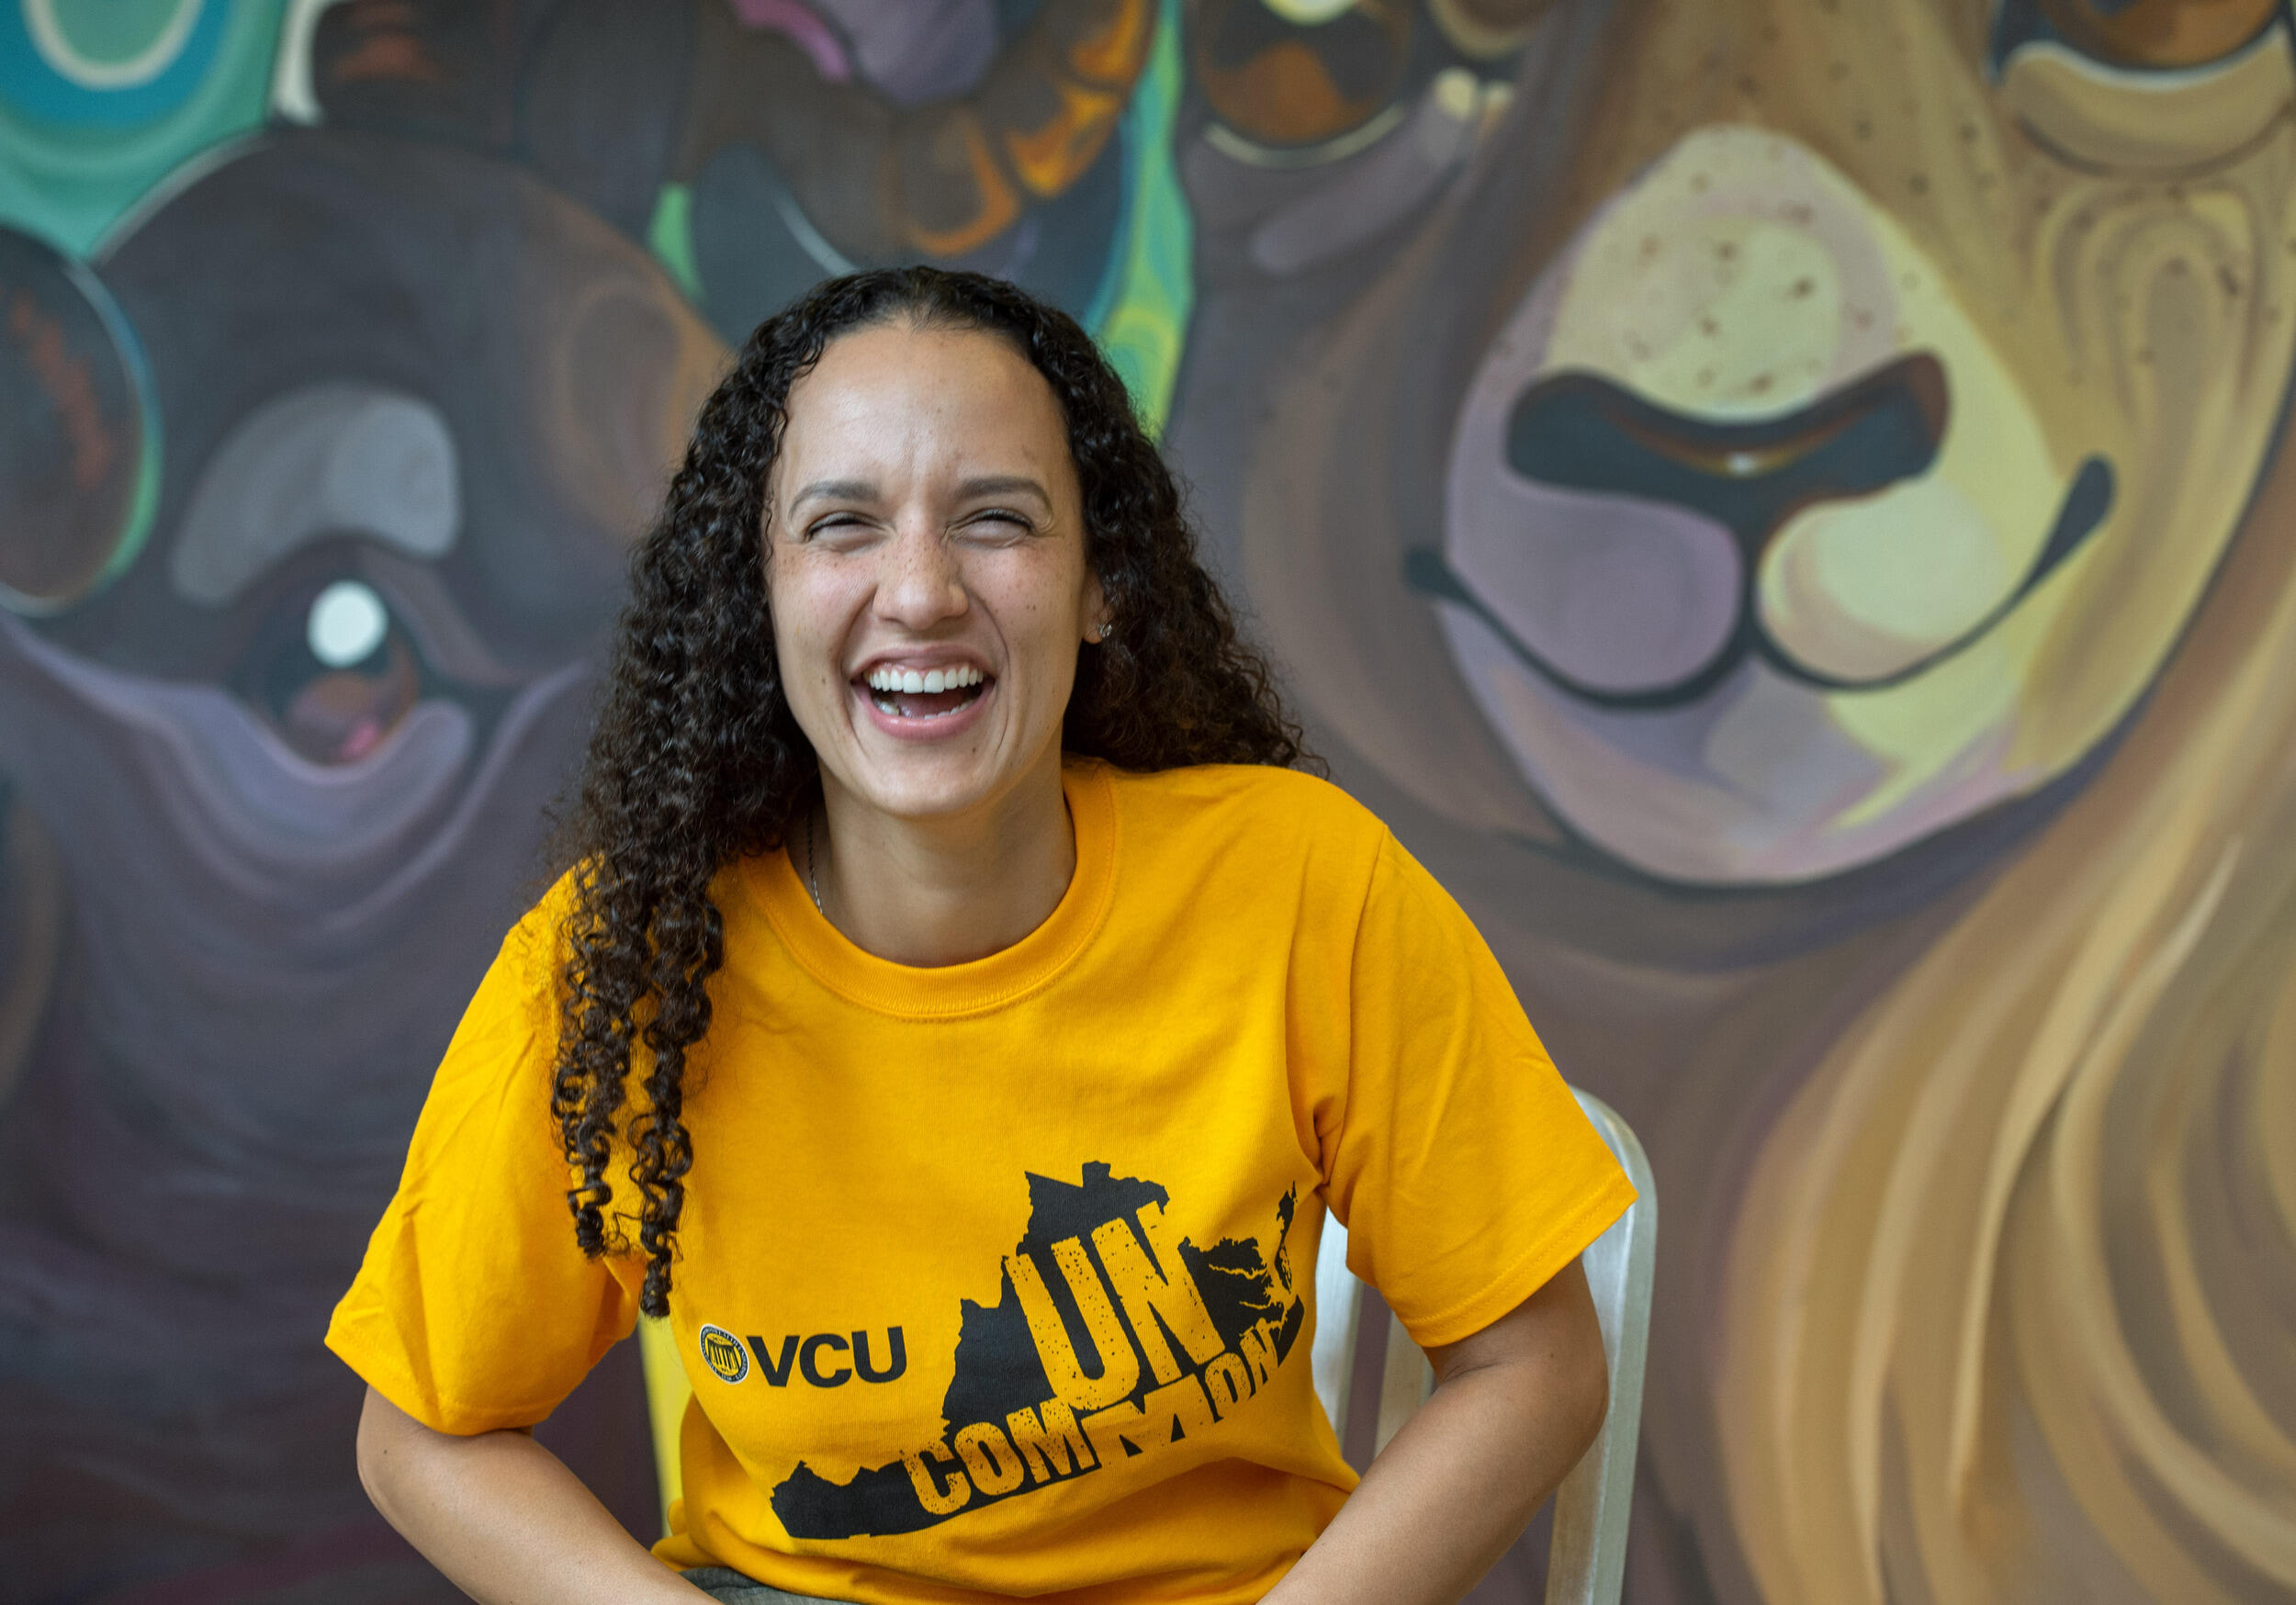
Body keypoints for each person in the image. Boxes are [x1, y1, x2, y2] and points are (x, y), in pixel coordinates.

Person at [325, 266, 1638, 1605]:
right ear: (758, 599)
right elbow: (424, 1433)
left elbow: (1535, 1363)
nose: (920, 592)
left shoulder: (1304, 886)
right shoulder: (625, 962)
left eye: (996, 520)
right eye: (842, 526)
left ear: (1100, 583)